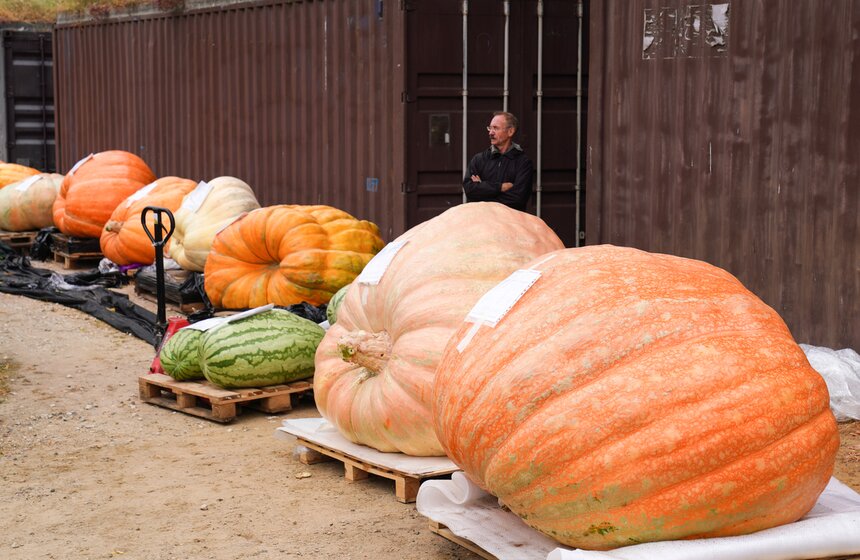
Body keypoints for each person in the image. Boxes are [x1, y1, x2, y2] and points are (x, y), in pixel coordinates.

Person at [462, 111, 534, 211]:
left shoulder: (523, 162)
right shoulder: (479, 159)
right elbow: (470, 190)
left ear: (510, 132)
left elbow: (518, 198)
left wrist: (483, 188)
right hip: (483, 222)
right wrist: (500, 187)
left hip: (510, 223)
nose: (490, 132)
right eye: (490, 128)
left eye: (495, 128)